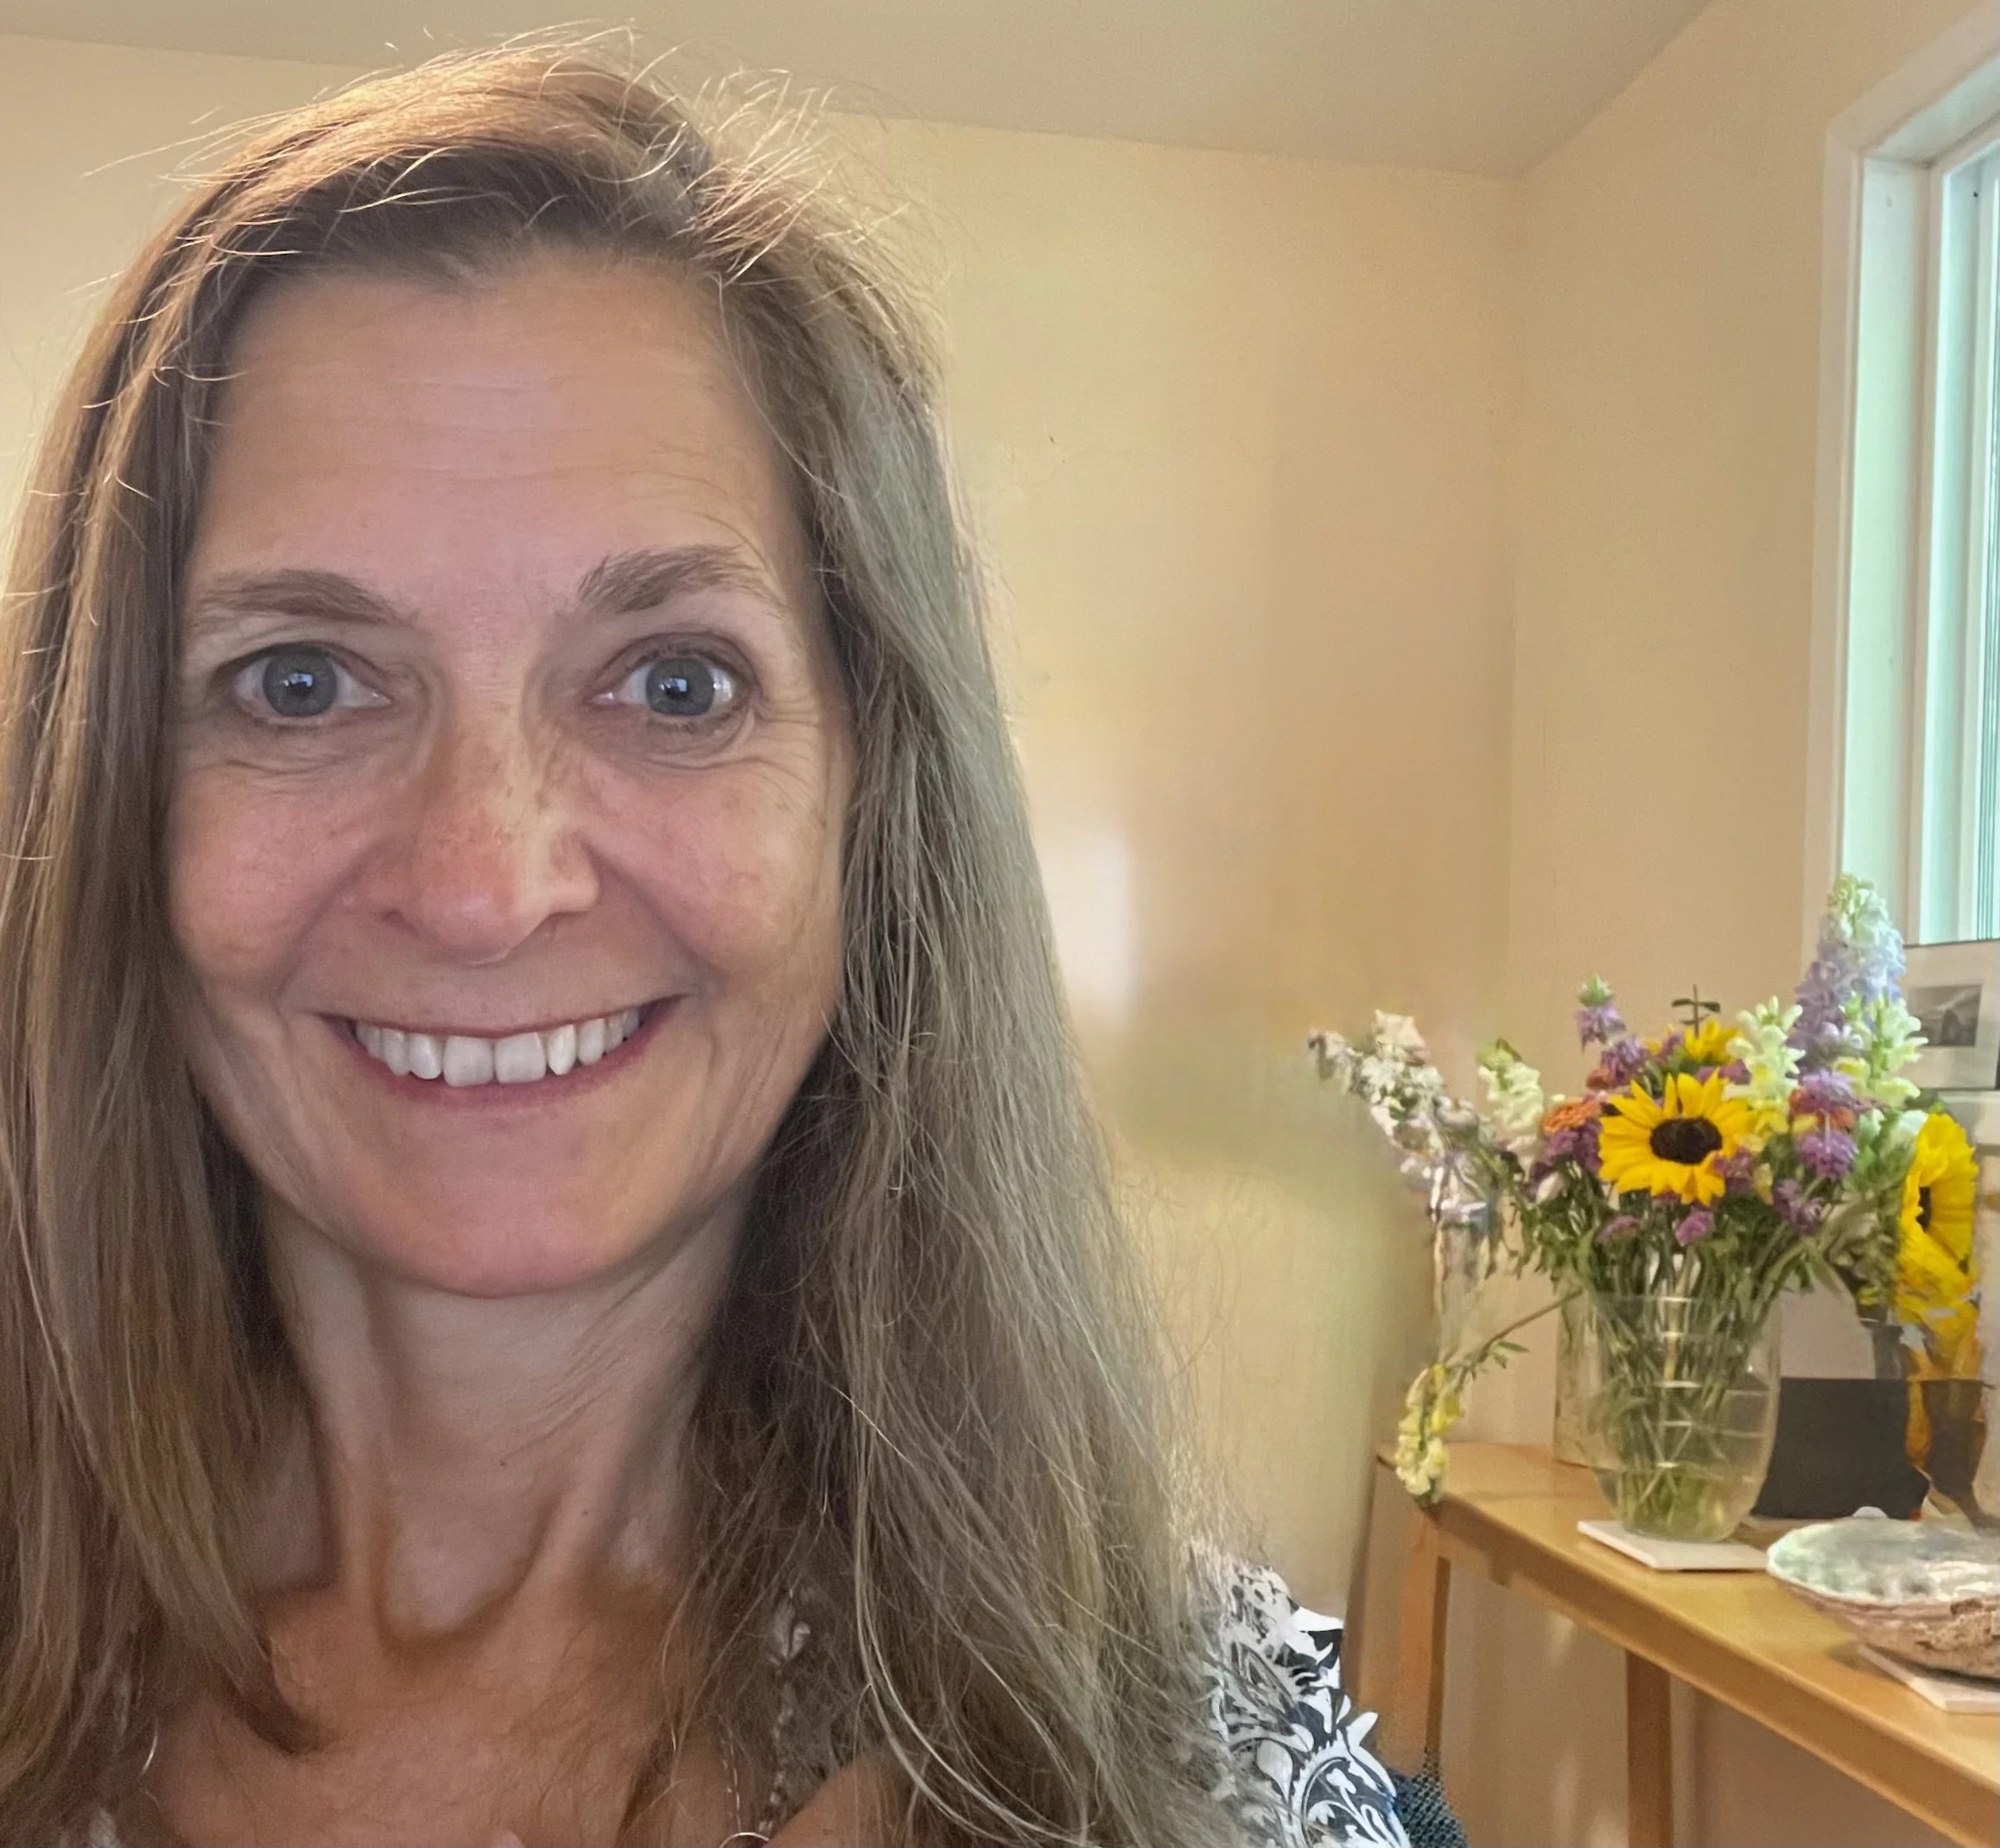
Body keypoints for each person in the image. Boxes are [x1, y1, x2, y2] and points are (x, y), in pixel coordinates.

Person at [0, 45, 1407, 1847]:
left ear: (868, 803)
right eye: (301, 681)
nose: (484, 883)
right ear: (117, 799)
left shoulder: (1177, 1752)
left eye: (674, 683)